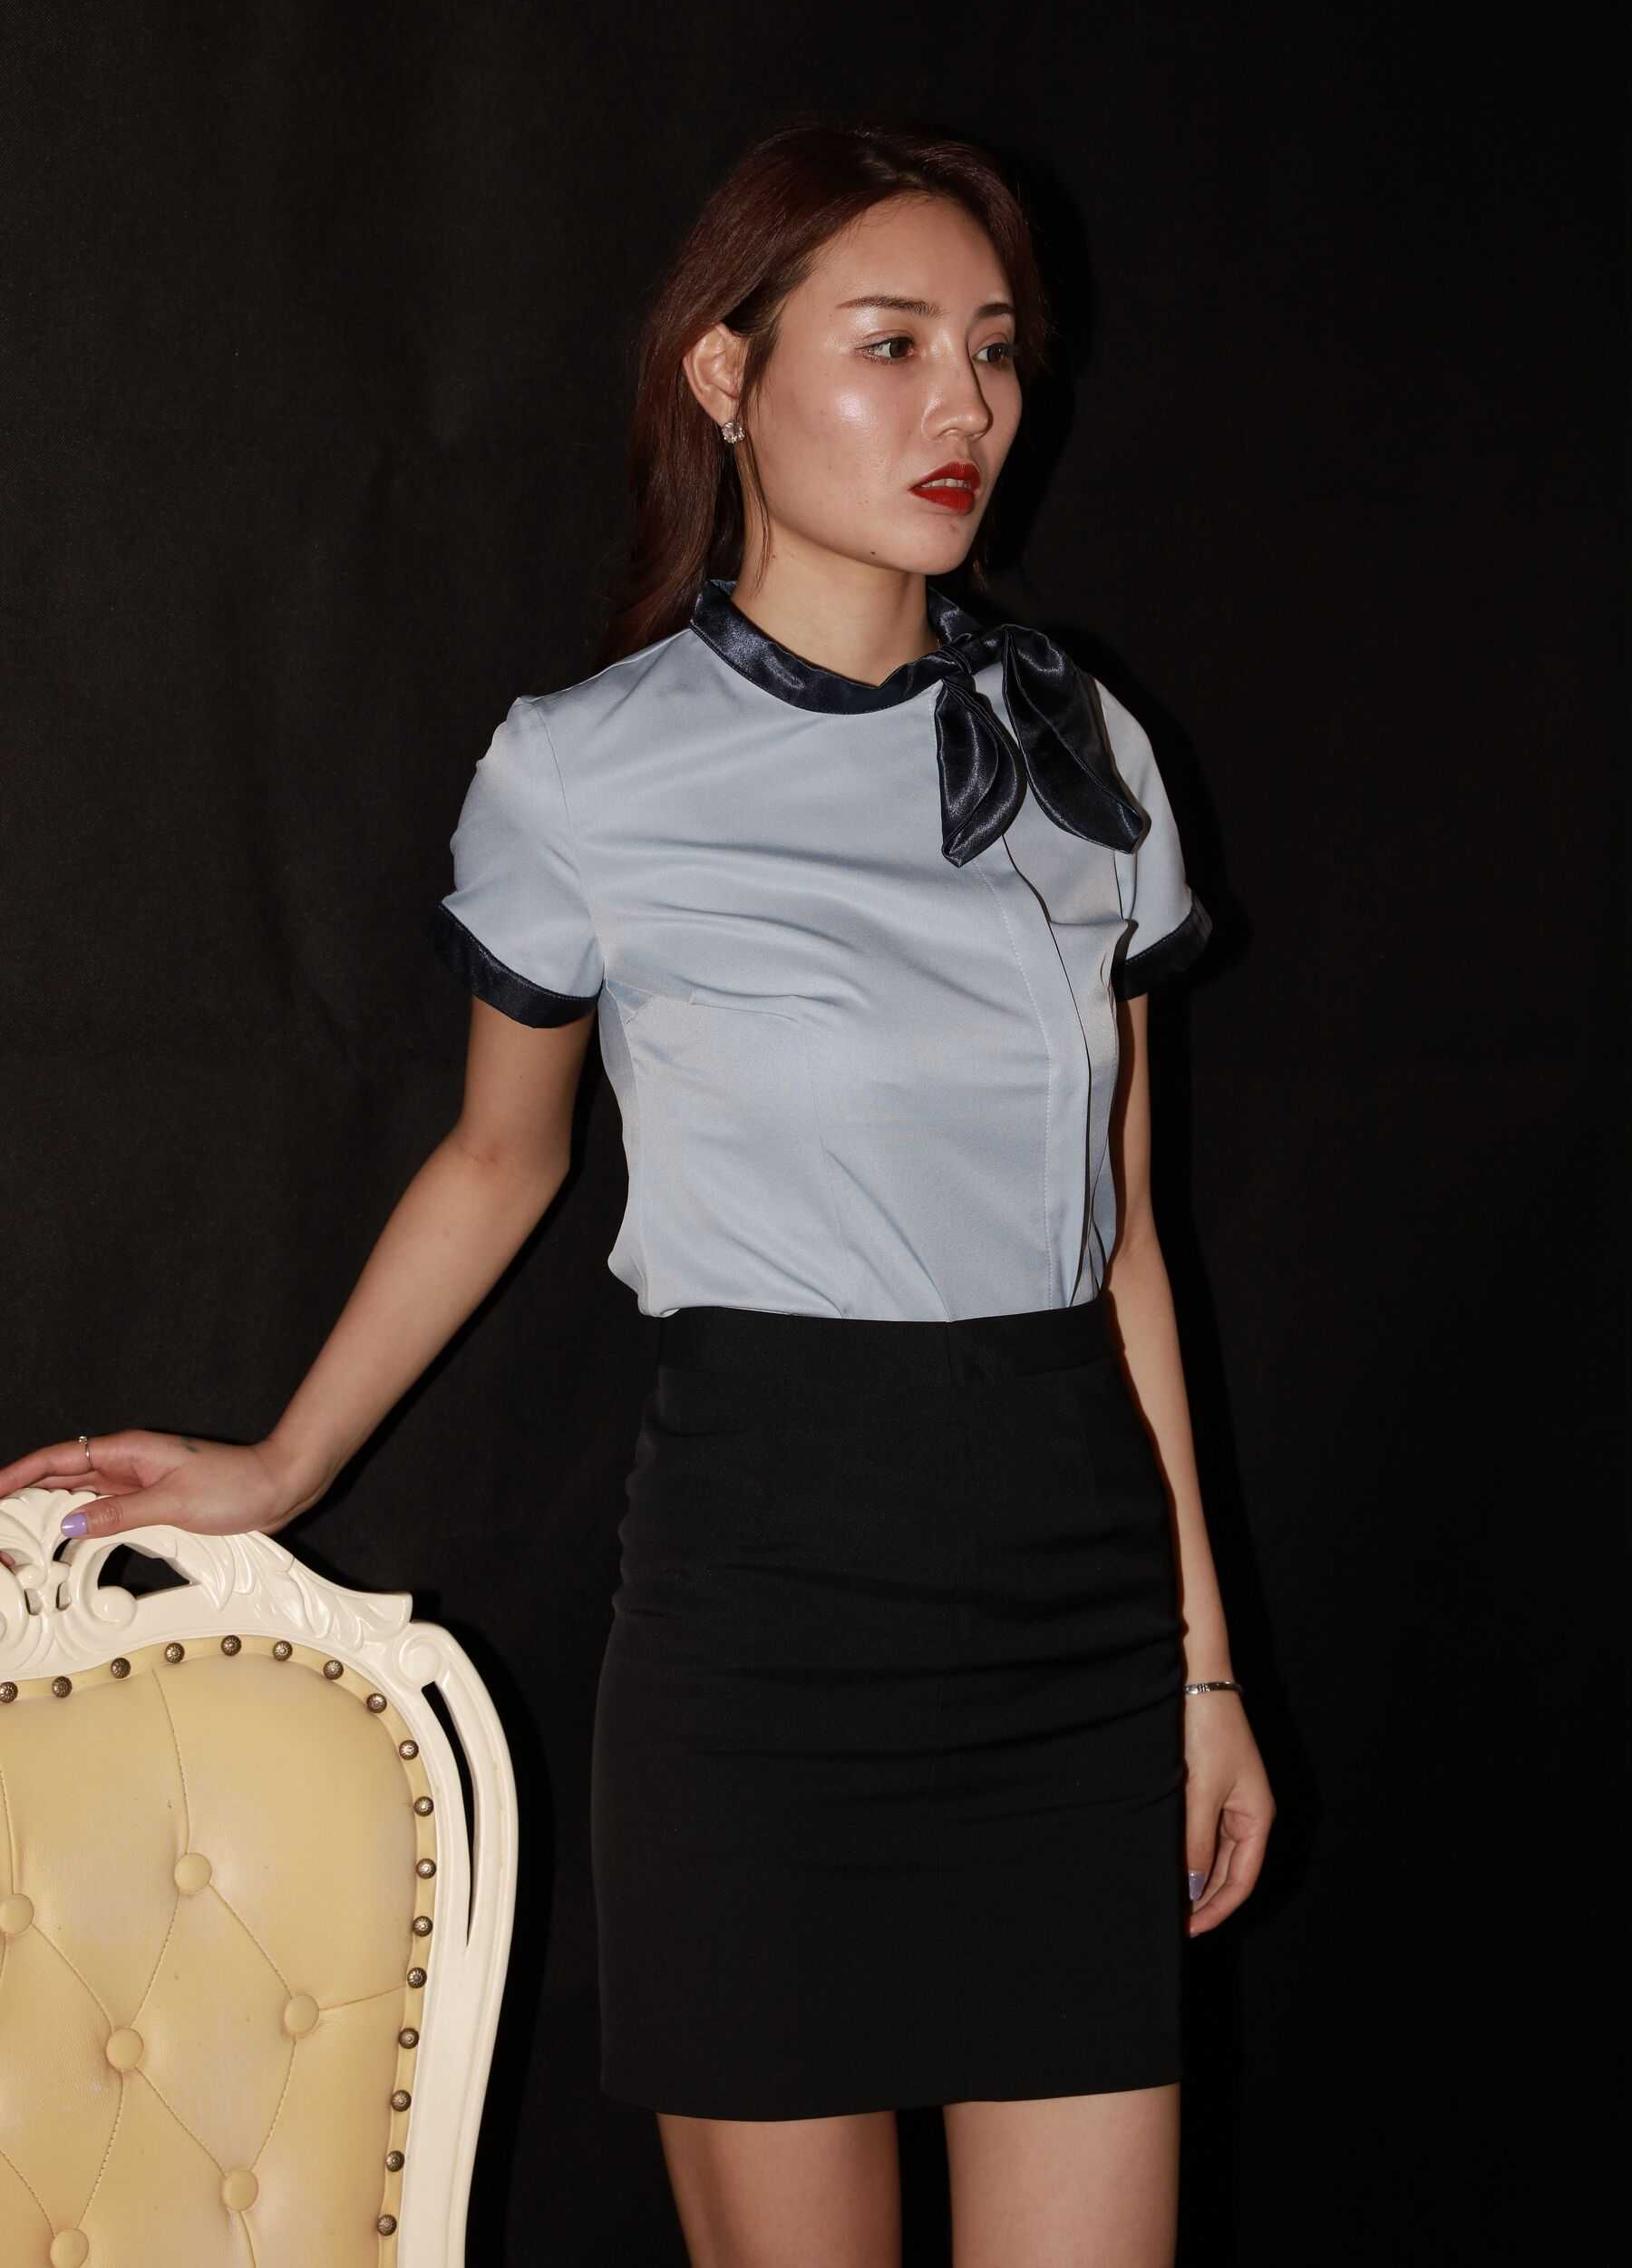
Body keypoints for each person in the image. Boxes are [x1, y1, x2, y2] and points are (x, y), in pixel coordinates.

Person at [1, 118, 1275, 2266]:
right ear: (725, 373)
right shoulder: (584, 769)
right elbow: (501, 1158)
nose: (963, 407)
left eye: (993, 351)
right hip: (769, 1612)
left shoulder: (1085, 753)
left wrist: (1203, 1674)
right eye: (891, 344)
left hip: (1070, 1605)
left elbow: (1129, 1238)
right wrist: (287, 1459)